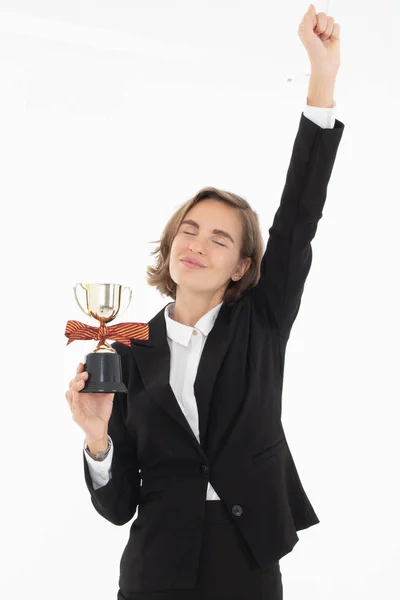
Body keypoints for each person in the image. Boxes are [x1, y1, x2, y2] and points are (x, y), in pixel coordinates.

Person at [65, 6, 345, 599]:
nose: (197, 244)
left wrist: (322, 79)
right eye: (189, 230)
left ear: (243, 265)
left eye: (221, 238)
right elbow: (118, 508)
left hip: (246, 558)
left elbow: (299, 216)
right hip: (155, 565)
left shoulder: (261, 322)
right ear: (170, 245)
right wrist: (97, 440)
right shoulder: (127, 345)